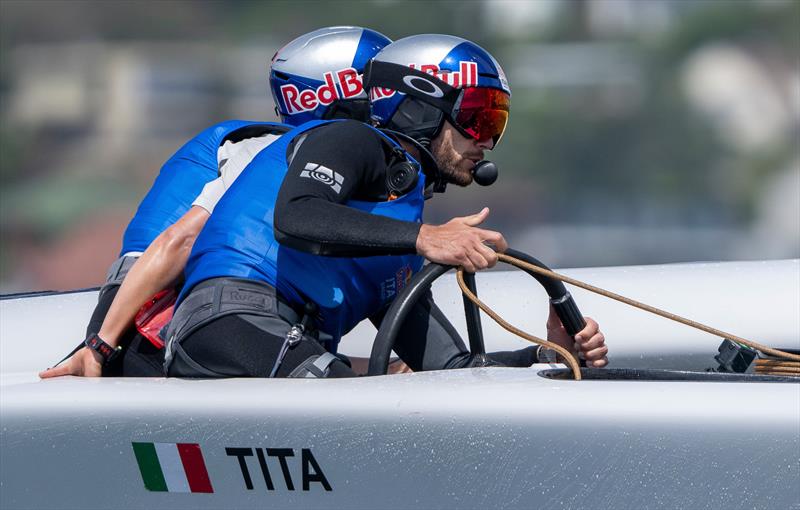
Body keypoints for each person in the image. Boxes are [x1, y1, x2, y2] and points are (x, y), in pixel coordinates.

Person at [160, 34, 608, 379]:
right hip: (229, 322)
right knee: (353, 405)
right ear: (419, 108)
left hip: (282, 343)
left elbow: (449, 370)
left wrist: (548, 355)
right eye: (477, 118)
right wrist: (428, 238)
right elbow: (297, 215)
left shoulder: (396, 229)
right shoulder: (348, 138)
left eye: (496, 123)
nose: (486, 141)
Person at [40, 26, 393, 378]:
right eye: (386, 89)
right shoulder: (266, 149)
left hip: (176, 316)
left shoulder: (319, 162)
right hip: (150, 320)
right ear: (342, 91)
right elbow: (182, 240)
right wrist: (100, 344)